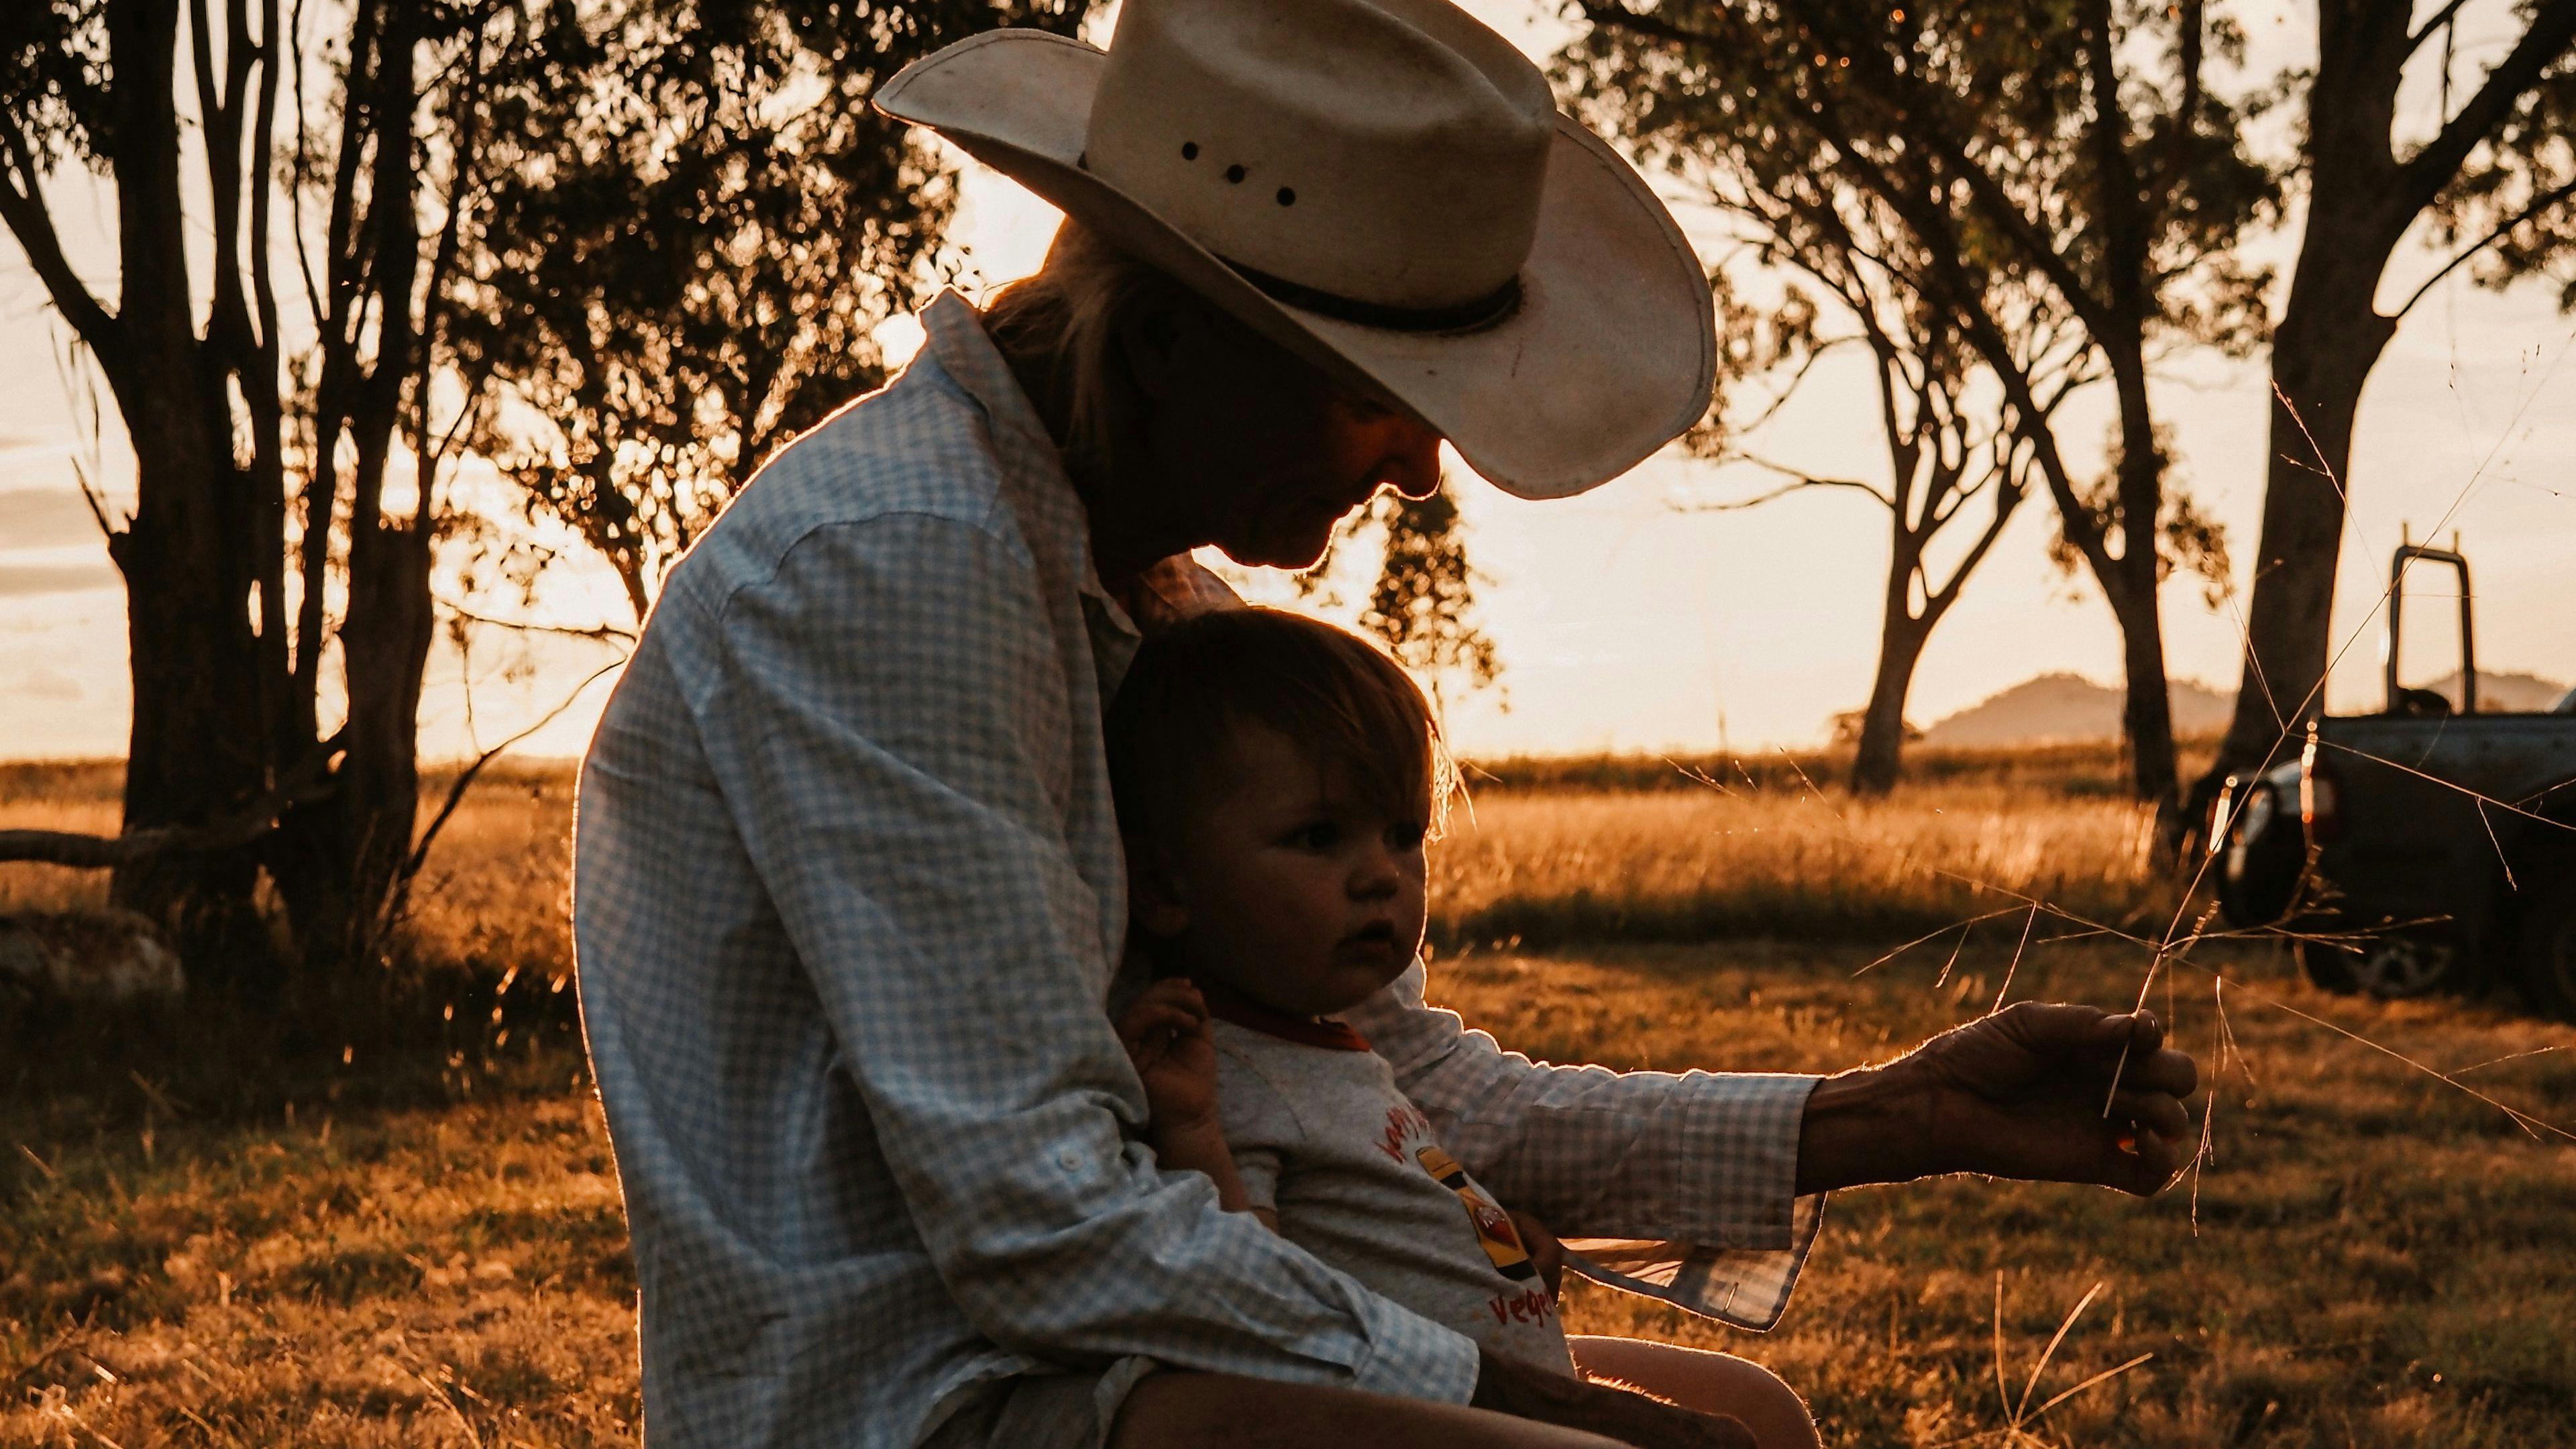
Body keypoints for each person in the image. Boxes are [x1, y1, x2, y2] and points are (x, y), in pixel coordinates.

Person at [570, 2, 2202, 1446]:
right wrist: (1563, 1406)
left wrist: (1908, 1112)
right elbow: (1043, 1232)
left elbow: (1416, 1083)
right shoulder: (904, 566)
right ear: (1163, 349)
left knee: (1747, 1417)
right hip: (936, 1391)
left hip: (1114, 1352)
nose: (1421, 469)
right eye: (1374, 393)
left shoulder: (1153, 604)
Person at [1104, 605, 1819, 1449]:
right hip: (1402, 1419)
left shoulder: (1326, 1044)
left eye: (1403, 835)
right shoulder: (1226, 1079)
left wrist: (1494, 1251)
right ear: (1164, 888)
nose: (1379, 874)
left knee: (1760, 1407)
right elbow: (1250, 1303)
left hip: (1506, 1385)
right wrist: (1189, 1130)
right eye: (1318, 837)